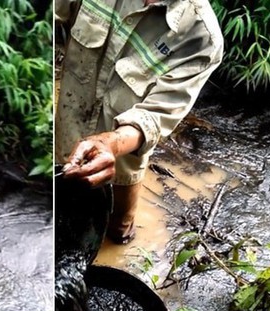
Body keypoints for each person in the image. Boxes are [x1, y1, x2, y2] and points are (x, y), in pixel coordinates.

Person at [55, 0, 223, 244]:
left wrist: (111, 144)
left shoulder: (201, 37)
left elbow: (157, 113)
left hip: (124, 158)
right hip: (69, 129)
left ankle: (120, 233)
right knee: (64, 215)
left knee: (118, 229)